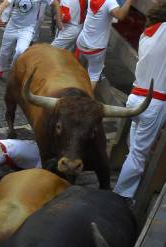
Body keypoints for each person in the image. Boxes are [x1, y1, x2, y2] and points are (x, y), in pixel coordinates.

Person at [113, 1, 165, 200]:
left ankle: (129, 190)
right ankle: (121, 196)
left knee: (134, 150)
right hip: (153, 102)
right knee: (138, 155)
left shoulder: (147, 35)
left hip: (135, 99)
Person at [0, 0, 62, 80]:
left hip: (27, 29)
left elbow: (55, 3)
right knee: (4, 51)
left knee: (21, 51)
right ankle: (0, 69)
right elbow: (5, 3)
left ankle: (13, 69)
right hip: (12, 27)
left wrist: (59, 20)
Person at [75, 0, 132, 89]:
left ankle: (76, 88)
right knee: (94, 75)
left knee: (80, 69)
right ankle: (86, 98)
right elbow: (121, 16)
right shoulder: (110, 3)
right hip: (95, 49)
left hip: (81, 43)